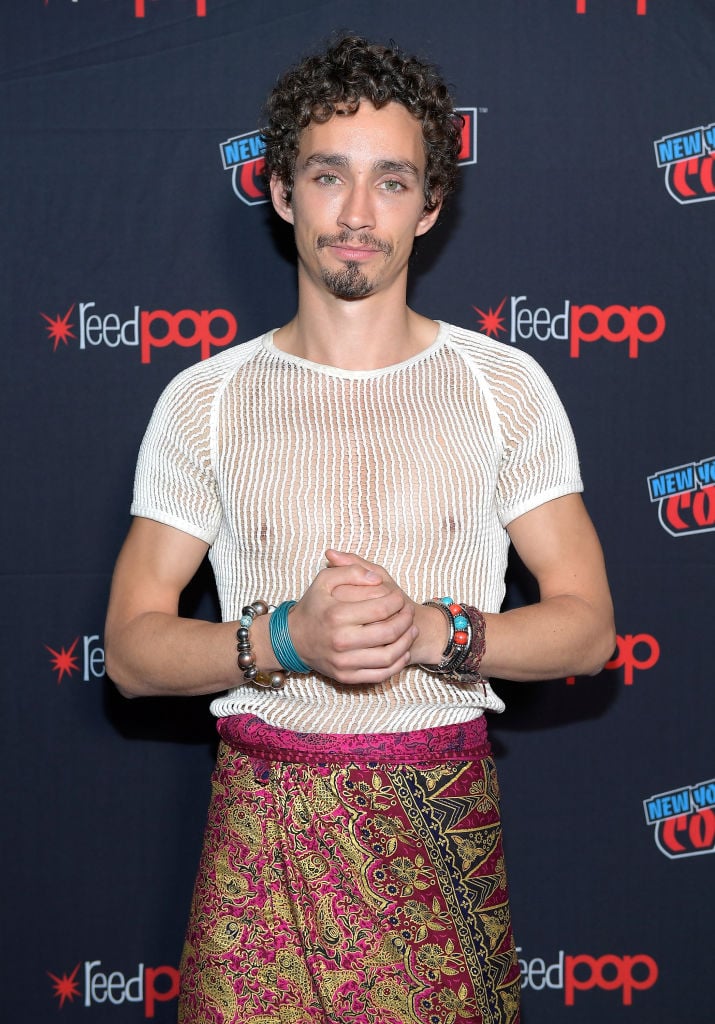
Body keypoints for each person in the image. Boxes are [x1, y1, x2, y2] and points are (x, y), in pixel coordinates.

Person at [105, 34, 615, 1024]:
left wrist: (431, 631)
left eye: (390, 182)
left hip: (438, 827)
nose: (355, 214)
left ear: (429, 205)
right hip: (262, 832)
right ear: (281, 193)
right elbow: (128, 651)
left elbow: (588, 627)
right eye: (327, 175)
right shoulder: (205, 400)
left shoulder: (502, 387)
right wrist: (285, 638)